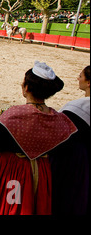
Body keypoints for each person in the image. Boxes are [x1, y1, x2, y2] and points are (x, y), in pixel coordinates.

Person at [0, 61, 77, 215]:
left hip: (11, 170)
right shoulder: (60, 120)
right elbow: (64, 148)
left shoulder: (12, 115)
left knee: (9, 203)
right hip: (42, 171)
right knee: (35, 204)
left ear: (27, 88)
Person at [53, 65, 90, 214]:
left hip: (76, 163)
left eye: (80, 76)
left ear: (88, 83)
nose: (78, 79)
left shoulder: (76, 107)